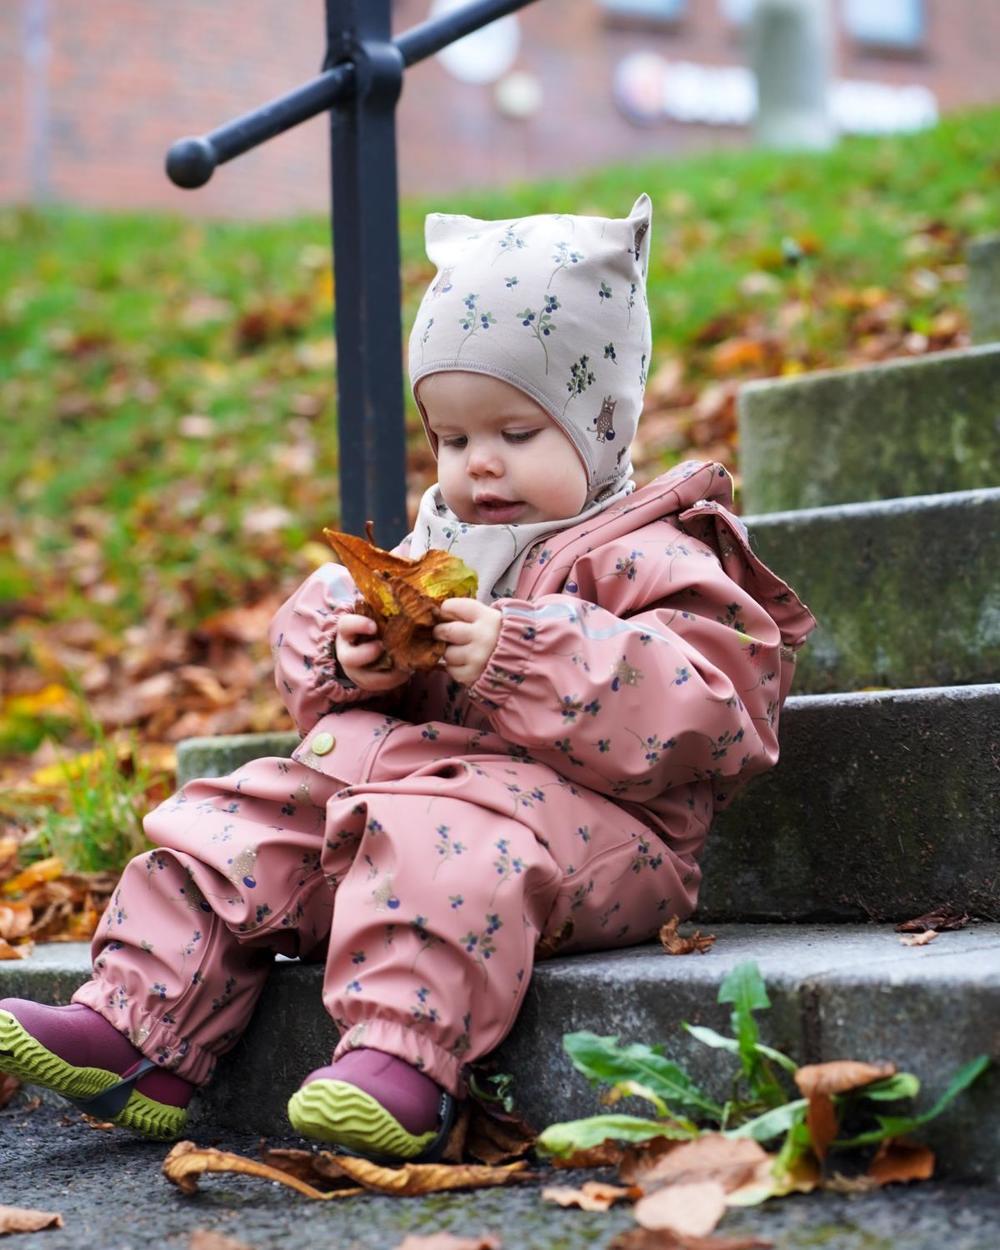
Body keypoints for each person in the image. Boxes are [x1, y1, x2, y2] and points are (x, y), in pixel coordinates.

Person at [0, 195, 815, 1161]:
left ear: (600, 424)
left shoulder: (656, 553)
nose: (482, 467)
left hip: (601, 839)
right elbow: (317, 653)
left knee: (445, 842)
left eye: (517, 432)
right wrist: (348, 657)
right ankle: (142, 1025)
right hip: (407, 797)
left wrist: (525, 654)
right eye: (454, 440)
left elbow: (716, 709)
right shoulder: (443, 544)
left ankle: (401, 1058)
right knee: (253, 813)